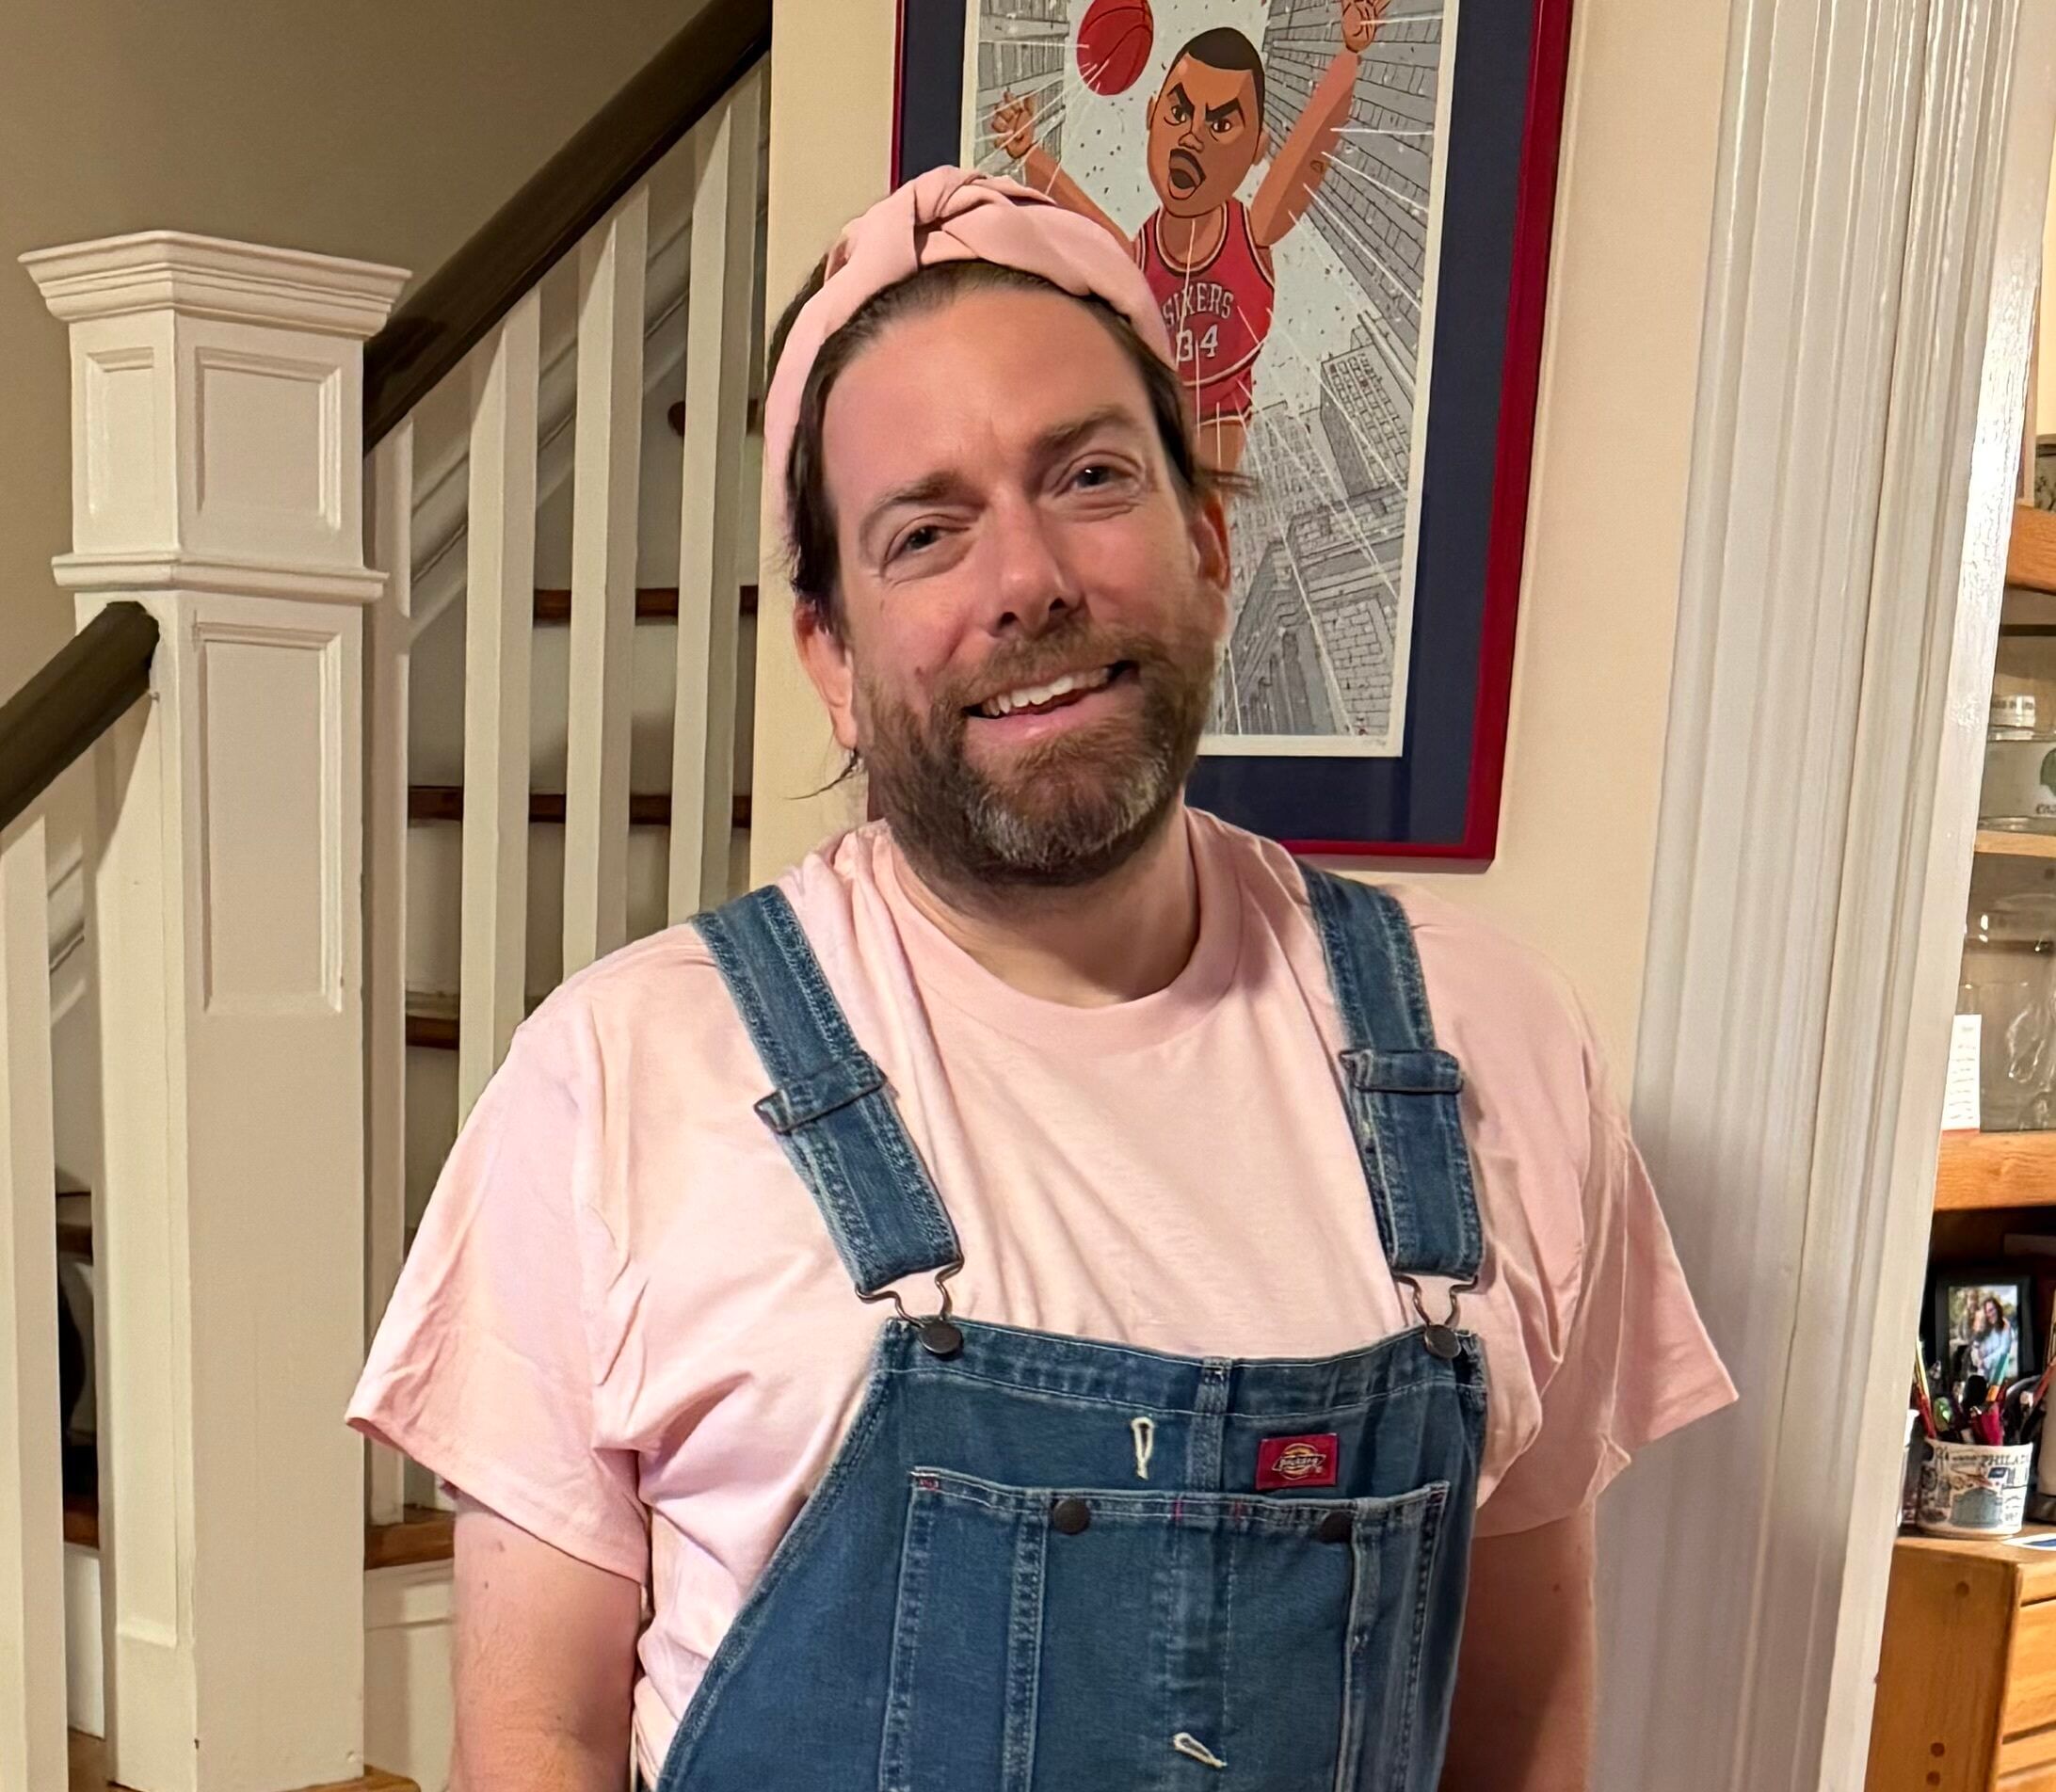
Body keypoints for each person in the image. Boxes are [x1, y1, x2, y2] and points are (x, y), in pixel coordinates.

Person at [349, 168, 1736, 1792]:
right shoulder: (618, 1076)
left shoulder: (1493, 1041)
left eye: (1085, 475)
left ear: (1206, 541)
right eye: (924, 529)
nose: (1025, 580)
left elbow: (1518, 1713)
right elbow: (533, 1739)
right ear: (832, 656)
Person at [990, 1, 1386, 472]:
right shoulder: (1139, 257)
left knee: (1198, 499)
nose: (1192, 135)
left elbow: (1308, 150)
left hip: (1220, 417)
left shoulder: (1252, 230)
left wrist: (1350, 54)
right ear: (1153, 115)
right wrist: (1029, 152)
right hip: (1152, 414)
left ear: (1257, 147)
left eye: (1220, 123)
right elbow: (1081, 217)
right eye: (1179, 112)